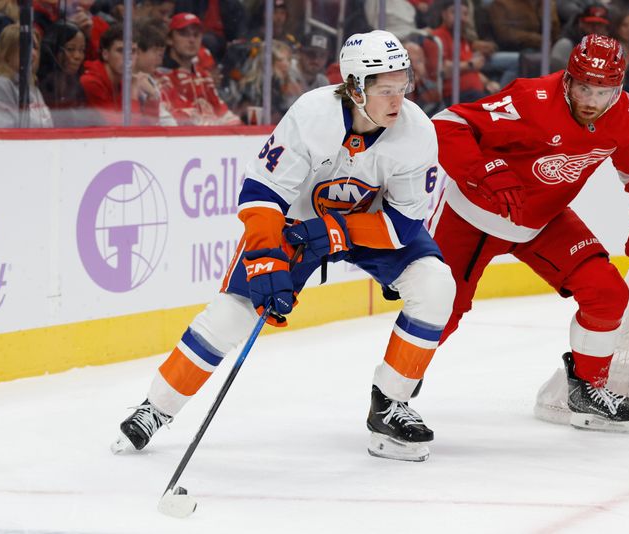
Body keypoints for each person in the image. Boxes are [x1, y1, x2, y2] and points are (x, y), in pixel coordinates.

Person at [111, 30, 455, 462]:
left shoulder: (416, 131)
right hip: (294, 225)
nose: (398, 100)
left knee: (436, 285)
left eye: (403, 86)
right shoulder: (312, 114)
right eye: (386, 90)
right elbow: (261, 193)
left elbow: (402, 225)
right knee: (232, 313)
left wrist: (337, 231)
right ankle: (156, 408)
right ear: (354, 88)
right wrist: (263, 256)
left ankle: (390, 403)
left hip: (370, 225)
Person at [429, 34, 629, 431]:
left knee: (607, 292)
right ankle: (391, 395)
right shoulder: (531, 98)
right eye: (584, 88)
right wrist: (484, 172)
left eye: (603, 91)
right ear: (567, 80)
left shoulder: (625, 113)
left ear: (618, 89)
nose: (591, 101)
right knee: (438, 312)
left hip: (543, 219)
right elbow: (448, 123)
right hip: (475, 215)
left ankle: (588, 388)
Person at [155, 12, 240, 125]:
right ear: (169, 39)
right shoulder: (161, 76)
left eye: (196, 35)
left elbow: (224, 113)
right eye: (184, 34)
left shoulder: (204, 76)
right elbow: (176, 120)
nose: (192, 40)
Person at [0, 23, 53, 127]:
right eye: (25, 46)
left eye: (35, 47)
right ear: (8, 50)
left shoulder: (30, 84)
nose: (32, 53)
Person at [80, 23, 161, 125]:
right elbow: (123, 128)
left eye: (133, 51)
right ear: (105, 54)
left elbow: (148, 127)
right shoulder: (90, 82)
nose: (128, 57)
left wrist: (153, 96)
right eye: (121, 50)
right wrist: (133, 91)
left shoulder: (124, 80)